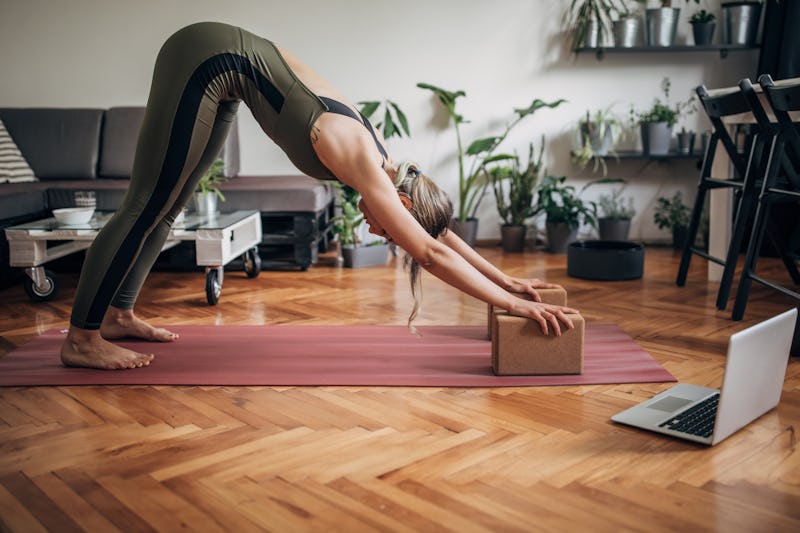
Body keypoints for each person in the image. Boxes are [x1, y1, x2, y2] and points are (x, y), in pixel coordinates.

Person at [60, 22, 579, 370]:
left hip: (225, 75)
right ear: (399, 204)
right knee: (144, 205)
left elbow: (435, 234)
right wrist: (511, 303)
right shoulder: (360, 159)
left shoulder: (392, 169)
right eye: (387, 227)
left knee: (168, 210)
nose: (379, 233)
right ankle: (81, 339)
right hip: (203, 58)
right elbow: (430, 251)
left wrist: (505, 277)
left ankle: (118, 315)